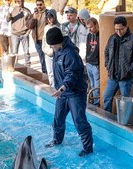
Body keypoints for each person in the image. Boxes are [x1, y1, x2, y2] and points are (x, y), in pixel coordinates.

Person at [44, 27, 93, 157]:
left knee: (79, 121)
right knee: (58, 119)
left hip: (75, 92)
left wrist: (62, 88)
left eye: (52, 45)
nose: (51, 47)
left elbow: (72, 74)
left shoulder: (70, 54)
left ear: (58, 42)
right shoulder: (57, 50)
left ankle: (87, 148)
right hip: (63, 92)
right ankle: (57, 140)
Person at [103, 16, 133, 113]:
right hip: (112, 76)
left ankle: (124, 123)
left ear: (126, 27)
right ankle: (107, 122)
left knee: (125, 102)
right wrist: (108, 65)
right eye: (116, 29)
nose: (118, 32)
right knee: (107, 97)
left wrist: (129, 70)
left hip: (126, 77)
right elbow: (106, 52)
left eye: (121, 29)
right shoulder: (112, 38)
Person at [7, 0, 31, 67]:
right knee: (14, 52)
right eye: (17, 1)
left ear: (22, 1)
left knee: (26, 52)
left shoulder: (27, 10)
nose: (18, 2)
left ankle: (28, 67)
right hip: (15, 34)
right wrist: (9, 13)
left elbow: (31, 22)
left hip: (24, 34)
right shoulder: (12, 10)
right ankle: (14, 66)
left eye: (20, 1)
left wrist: (28, 32)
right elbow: (7, 20)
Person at [26, 0, 48, 76]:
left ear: (44, 4)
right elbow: (29, 26)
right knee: (42, 58)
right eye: (37, 5)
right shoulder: (34, 14)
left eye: (40, 4)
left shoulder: (48, 13)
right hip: (37, 40)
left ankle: (50, 74)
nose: (39, 6)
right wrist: (34, 18)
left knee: (48, 58)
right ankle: (45, 74)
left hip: (46, 40)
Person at [42, 9, 60, 87]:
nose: (49, 19)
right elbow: (44, 40)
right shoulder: (46, 27)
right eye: (48, 17)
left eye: (51, 17)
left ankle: (58, 87)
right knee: (50, 72)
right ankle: (52, 87)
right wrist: (44, 49)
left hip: (56, 53)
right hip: (47, 53)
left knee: (57, 72)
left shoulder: (59, 27)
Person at [86, 17, 100, 106]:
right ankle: (92, 101)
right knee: (91, 84)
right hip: (89, 63)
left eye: (91, 27)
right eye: (88, 27)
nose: (89, 29)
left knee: (96, 86)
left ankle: (97, 103)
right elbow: (87, 48)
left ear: (96, 25)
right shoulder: (89, 35)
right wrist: (86, 61)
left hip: (96, 64)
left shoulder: (100, 35)